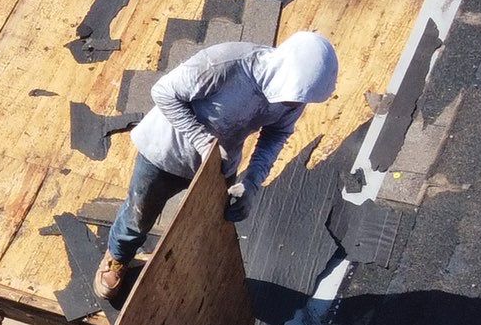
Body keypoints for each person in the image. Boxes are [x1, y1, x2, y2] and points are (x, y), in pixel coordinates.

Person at [94, 31, 338, 298]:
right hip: (165, 153)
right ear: (283, 71)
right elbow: (164, 93)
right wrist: (203, 141)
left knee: (207, 226)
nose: (295, 105)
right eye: (295, 99)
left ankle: (185, 276)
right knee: (139, 216)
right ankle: (117, 257)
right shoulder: (226, 64)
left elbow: (277, 134)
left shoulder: (293, 91)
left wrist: (252, 182)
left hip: (218, 167)